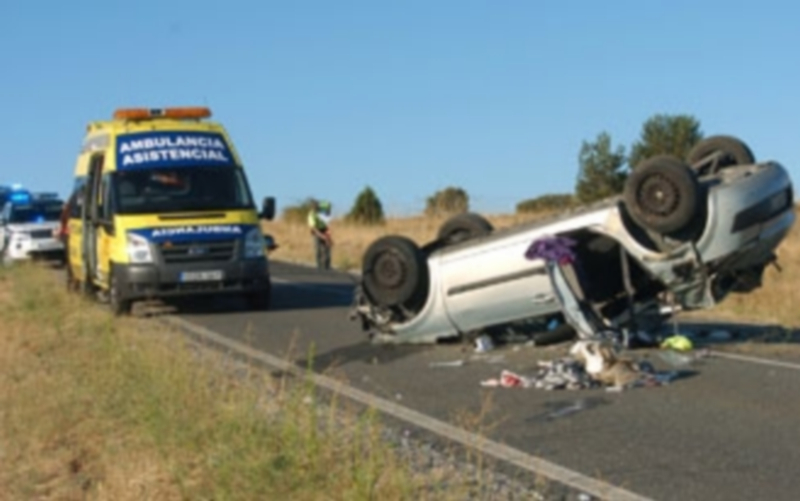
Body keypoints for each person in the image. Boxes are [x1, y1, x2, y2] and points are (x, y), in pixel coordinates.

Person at [307, 199, 333, 270]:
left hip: (324, 228)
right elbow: (314, 229)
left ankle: (327, 265)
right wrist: (322, 236)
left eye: (317, 206)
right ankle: (319, 265)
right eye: (314, 207)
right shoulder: (311, 215)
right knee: (318, 248)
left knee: (328, 246)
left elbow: (328, 220)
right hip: (316, 230)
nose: (316, 208)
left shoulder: (323, 210)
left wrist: (328, 234)